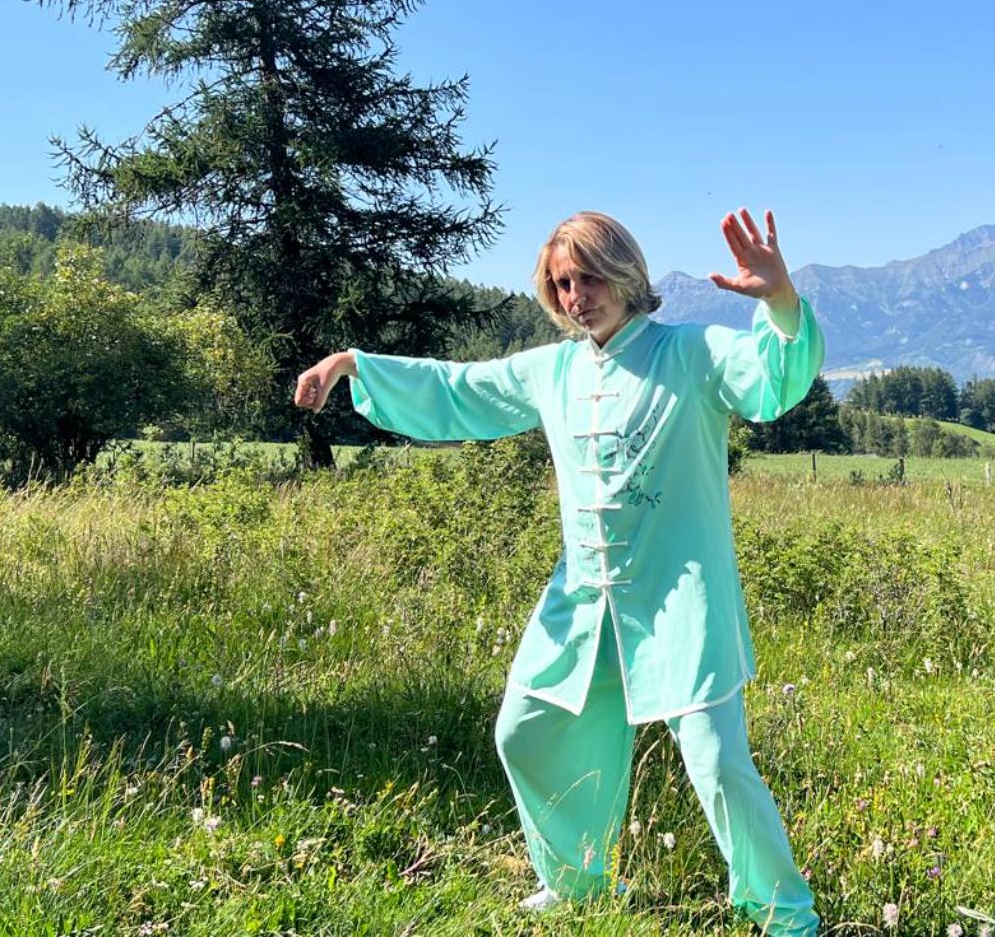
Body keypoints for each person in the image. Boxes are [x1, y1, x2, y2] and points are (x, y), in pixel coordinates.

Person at [293, 208, 821, 935]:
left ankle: (785, 916)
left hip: (682, 602)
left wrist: (780, 301)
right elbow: (459, 390)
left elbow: (772, 380)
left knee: (718, 762)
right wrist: (353, 364)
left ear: (626, 274)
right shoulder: (553, 369)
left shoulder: (691, 351)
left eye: (590, 277)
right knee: (526, 730)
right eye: (563, 283)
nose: (577, 296)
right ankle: (579, 882)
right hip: (583, 603)